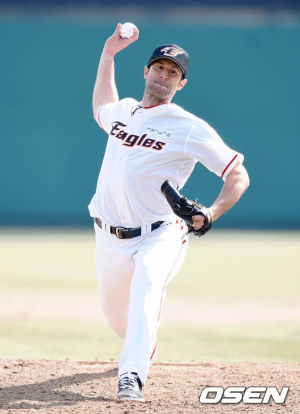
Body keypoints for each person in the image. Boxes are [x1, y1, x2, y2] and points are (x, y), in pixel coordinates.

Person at [89, 23, 249, 402]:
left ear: (181, 84)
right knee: (120, 322)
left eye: (173, 72)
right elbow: (100, 106)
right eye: (159, 67)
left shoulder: (187, 126)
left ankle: (132, 376)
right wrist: (108, 54)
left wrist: (211, 212)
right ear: (146, 71)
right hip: (109, 235)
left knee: (147, 285)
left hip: (161, 232)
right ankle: (138, 346)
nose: (164, 75)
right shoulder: (123, 113)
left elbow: (238, 175)